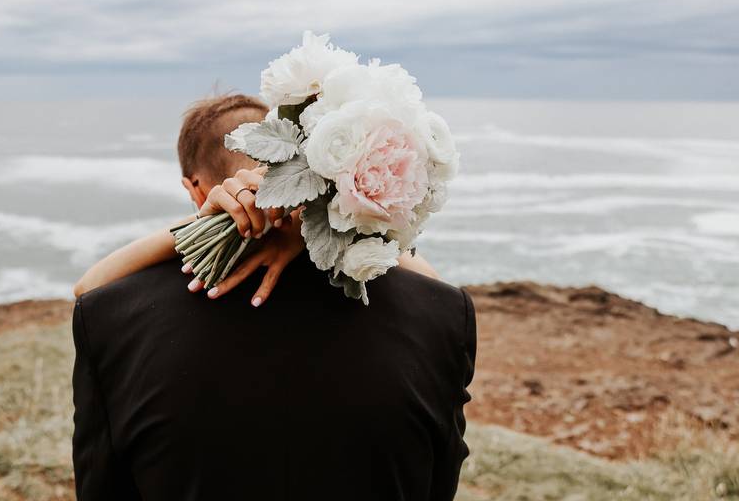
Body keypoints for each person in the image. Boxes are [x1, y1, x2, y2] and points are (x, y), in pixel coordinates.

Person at [71, 94, 477, 500]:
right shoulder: (440, 315)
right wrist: (327, 216)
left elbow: (102, 488)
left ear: (196, 191)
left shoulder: (110, 315)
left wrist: (218, 220)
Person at [73, 94, 440, 306]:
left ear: (194, 188)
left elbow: (86, 289)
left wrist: (300, 217)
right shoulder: (345, 261)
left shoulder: (174, 283)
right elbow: (436, 286)